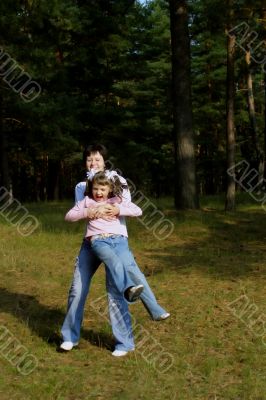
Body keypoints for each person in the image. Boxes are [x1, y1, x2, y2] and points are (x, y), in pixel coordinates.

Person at [60, 144, 169, 356]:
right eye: (89, 160)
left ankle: (124, 343)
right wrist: (88, 211)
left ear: (104, 161)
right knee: (77, 288)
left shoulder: (118, 181)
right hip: (91, 242)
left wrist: (117, 209)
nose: (93, 163)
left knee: (115, 290)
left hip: (117, 239)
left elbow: (132, 208)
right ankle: (69, 337)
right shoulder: (81, 186)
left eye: (97, 159)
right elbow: (75, 213)